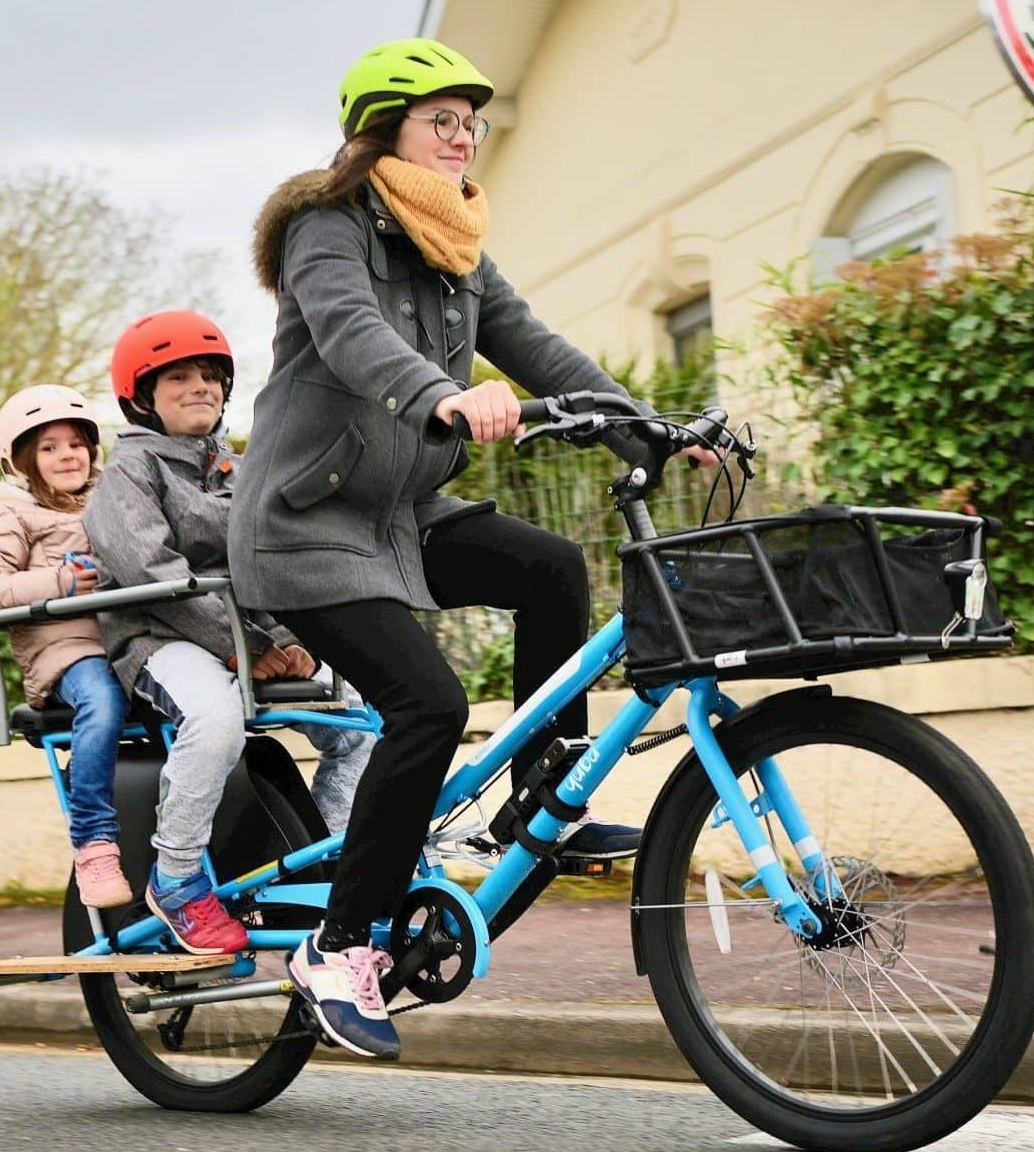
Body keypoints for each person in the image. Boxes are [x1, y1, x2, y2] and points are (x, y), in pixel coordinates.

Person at [230, 37, 716, 1059]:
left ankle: (541, 796)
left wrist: (653, 427)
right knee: (428, 704)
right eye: (439, 120)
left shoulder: (455, 248)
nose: (460, 137)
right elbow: (352, 331)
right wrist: (441, 393)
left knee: (551, 568)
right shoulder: (329, 226)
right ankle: (338, 944)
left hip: (400, 512)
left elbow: (537, 345)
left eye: (469, 122)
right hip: (305, 524)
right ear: (382, 132)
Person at [84, 309, 376, 955]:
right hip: (161, 639)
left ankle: (324, 867)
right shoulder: (128, 474)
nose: (202, 388)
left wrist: (286, 639)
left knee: (362, 720)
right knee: (214, 719)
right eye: (180, 377)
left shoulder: (235, 469)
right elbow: (150, 572)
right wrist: (247, 649)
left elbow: (270, 565)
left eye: (212, 376)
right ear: (142, 397)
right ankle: (179, 879)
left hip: (247, 640)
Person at [0, 385, 132, 909]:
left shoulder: (118, 497)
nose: (67, 455)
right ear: (23, 460)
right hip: (69, 652)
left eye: (75, 443)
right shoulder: (10, 514)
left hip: (135, 642)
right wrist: (59, 582)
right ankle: (94, 842)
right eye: (49, 447)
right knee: (102, 701)